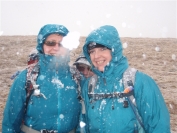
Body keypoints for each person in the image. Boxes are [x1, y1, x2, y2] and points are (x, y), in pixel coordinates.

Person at [81, 25, 171, 133]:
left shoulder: (140, 82)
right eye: (92, 52)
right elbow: (82, 126)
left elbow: (159, 127)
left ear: (115, 50)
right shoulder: (89, 86)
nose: (96, 56)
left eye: (102, 49)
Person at [2, 24, 81, 133]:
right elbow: (10, 122)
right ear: (41, 45)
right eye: (50, 43)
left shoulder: (77, 77)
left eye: (62, 43)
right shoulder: (26, 78)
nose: (56, 48)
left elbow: (84, 119)